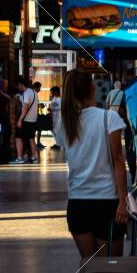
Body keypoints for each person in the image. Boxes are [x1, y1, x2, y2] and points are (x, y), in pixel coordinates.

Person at [57, 70, 129, 257]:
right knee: (112, 269)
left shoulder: (64, 122)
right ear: (92, 89)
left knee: (91, 268)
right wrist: (123, 200)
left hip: (77, 204)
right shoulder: (109, 118)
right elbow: (118, 162)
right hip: (107, 203)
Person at [14, 78, 39, 164]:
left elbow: (25, 107)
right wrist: (20, 97)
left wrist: (20, 120)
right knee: (31, 138)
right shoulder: (34, 93)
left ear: (21, 84)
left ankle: (20, 157)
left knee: (18, 137)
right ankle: (34, 157)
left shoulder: (27, 93)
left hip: (26, 120)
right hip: (33, 120)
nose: (18, 87)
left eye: (18, 85)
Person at [48, 86, 62, 150]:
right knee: (53, 130)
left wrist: (52, 109)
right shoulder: (54, 98)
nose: (51, 93)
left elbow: (60, 107)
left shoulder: (60, 99)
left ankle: (58, 144)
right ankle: (57, 143)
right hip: (53, 116)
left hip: (58, 116)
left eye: (52, 92)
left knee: (56, 130)